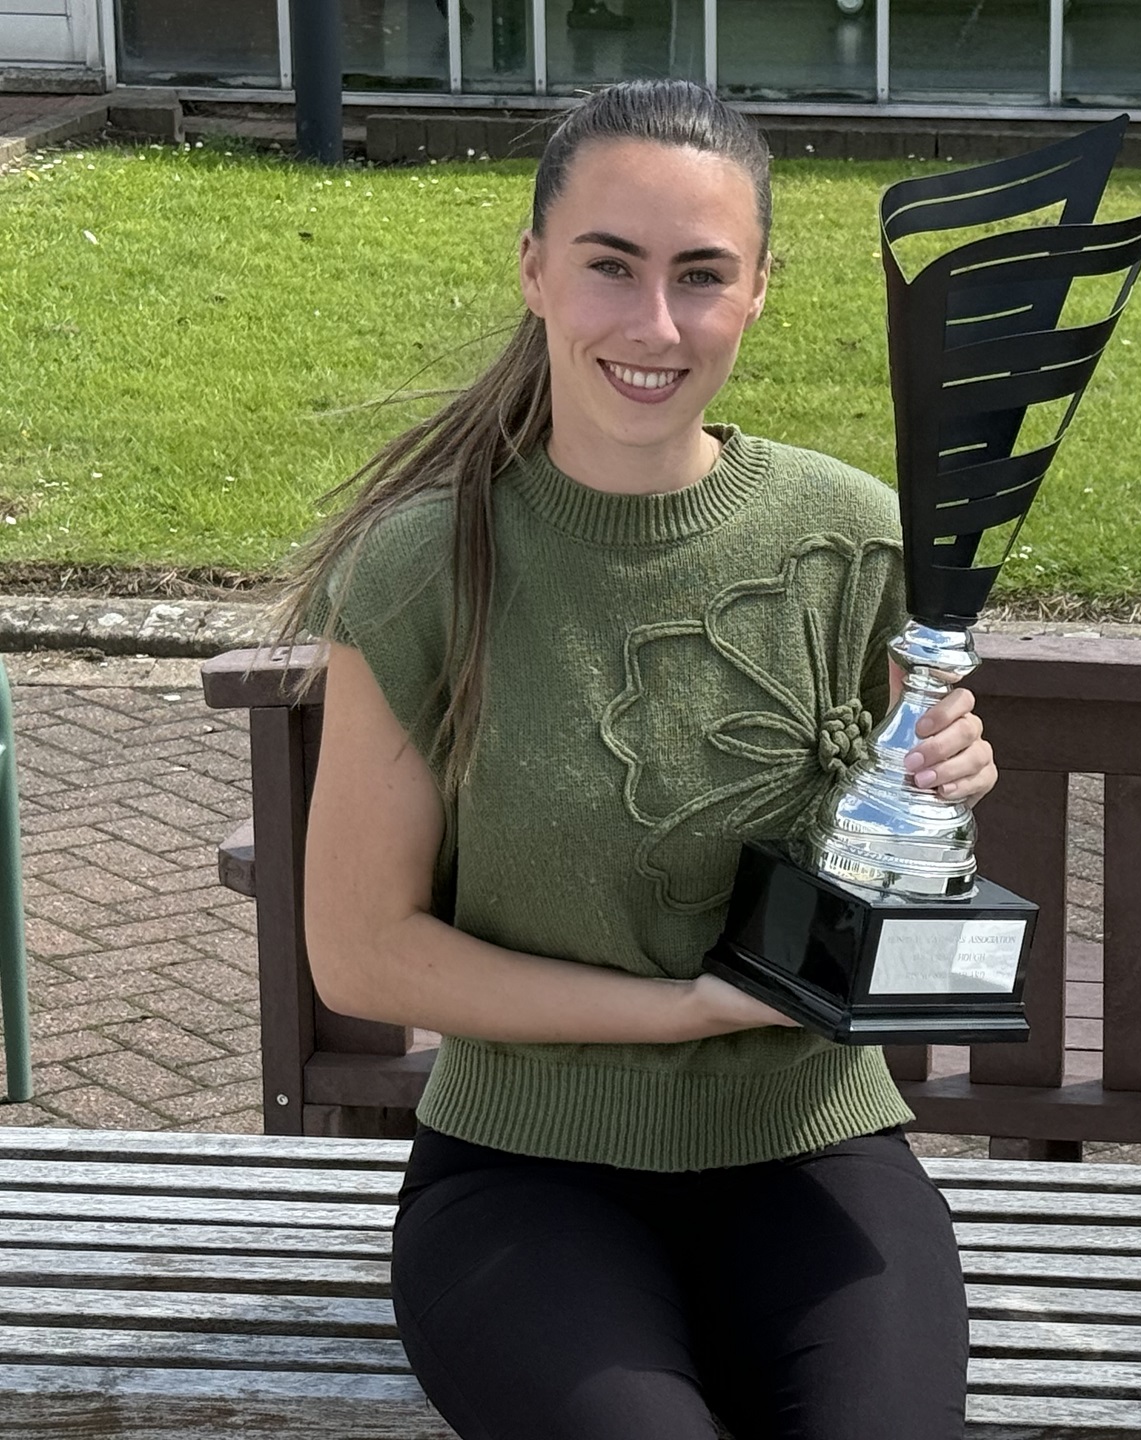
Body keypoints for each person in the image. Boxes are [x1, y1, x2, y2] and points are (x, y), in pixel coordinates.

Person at [274, 78, 992, 1440]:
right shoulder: (427, 567)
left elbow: (899, 926)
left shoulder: (858, 539)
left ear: (761, 291)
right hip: (526, 1169)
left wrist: (943, 802)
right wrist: (683, 1011)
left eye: (701, 275)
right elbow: (364, 954)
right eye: (611, 265)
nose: (654, 325)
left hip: (811, 1141)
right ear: (536, 268)